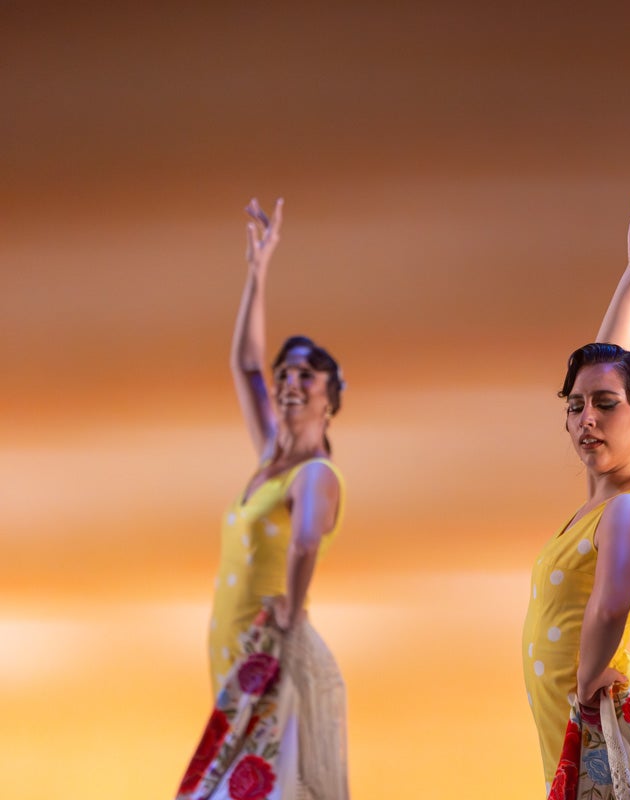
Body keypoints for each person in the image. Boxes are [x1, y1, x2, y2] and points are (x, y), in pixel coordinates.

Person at [522, 183, 630, 798]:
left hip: (599, 720)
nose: (585, 419)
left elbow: (609, 607)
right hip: (577, 718)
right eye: (574, 407)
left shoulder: (628, 513)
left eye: (603, 407)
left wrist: (585, 696)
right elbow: (611, 365)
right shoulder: (606, 503)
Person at [176, 198, 349, 800]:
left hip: (268, 642)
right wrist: (258, 270)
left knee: (258, 780)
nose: (289, 383)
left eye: (306, 375)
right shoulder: (272, 463)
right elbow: (246, 364)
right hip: (232, 642)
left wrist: (291, 611)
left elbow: (304, 542)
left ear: (330, 397)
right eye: (286, 375)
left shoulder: (316, 475)